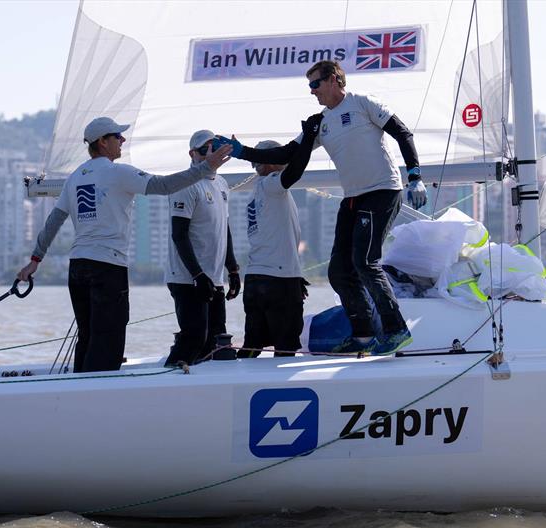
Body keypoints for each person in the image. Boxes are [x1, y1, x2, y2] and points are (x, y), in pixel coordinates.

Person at [215, 60, 427, 356]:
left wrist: (415, 176)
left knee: (365, 262)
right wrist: (242, 152)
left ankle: (395, 329)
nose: (312, 91)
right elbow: (288, 152)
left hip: (382, 191)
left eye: (315, 84)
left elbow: (402, 133)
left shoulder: (362, 103)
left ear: (334, 80)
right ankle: (363, 336)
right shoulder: (319, 122)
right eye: (309, 86)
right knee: (339, 271)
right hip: (353, 197)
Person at [17, 117, 232, 373]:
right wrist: (205, 167)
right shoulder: (119, 172)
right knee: (108, 338)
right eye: (117, 136)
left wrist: (35, 260)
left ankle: (79, 393)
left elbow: (54, 220)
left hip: (78, 268)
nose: (122, 140)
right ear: (103, 142)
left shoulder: (75, 177)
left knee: (87, 336)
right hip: (107, 268)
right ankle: (97, 398)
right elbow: (163, 186)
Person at [237, 113, 322, 358]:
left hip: (257, 278)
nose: (283, 161)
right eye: (278, 158)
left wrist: (296, 275)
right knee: (285, 347)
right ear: (267, 164)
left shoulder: (256, 194)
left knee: (252, 344)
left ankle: (241, 385)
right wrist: (308, 138)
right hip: (278, 280)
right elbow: (295, 171)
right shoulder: (272, 184)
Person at [163, 130, 241, 368]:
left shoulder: (221, 184)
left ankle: (200, 394)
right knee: (194, 336)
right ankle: (164, 383)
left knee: (215, 340)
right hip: (188, 277)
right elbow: (179, 234)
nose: (210, 152)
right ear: (192, 154)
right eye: (203, 149)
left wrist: (233, 269)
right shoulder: (185, 183)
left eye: (213, 147)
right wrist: (197, 274)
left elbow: (223, 228)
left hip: (213, 277)